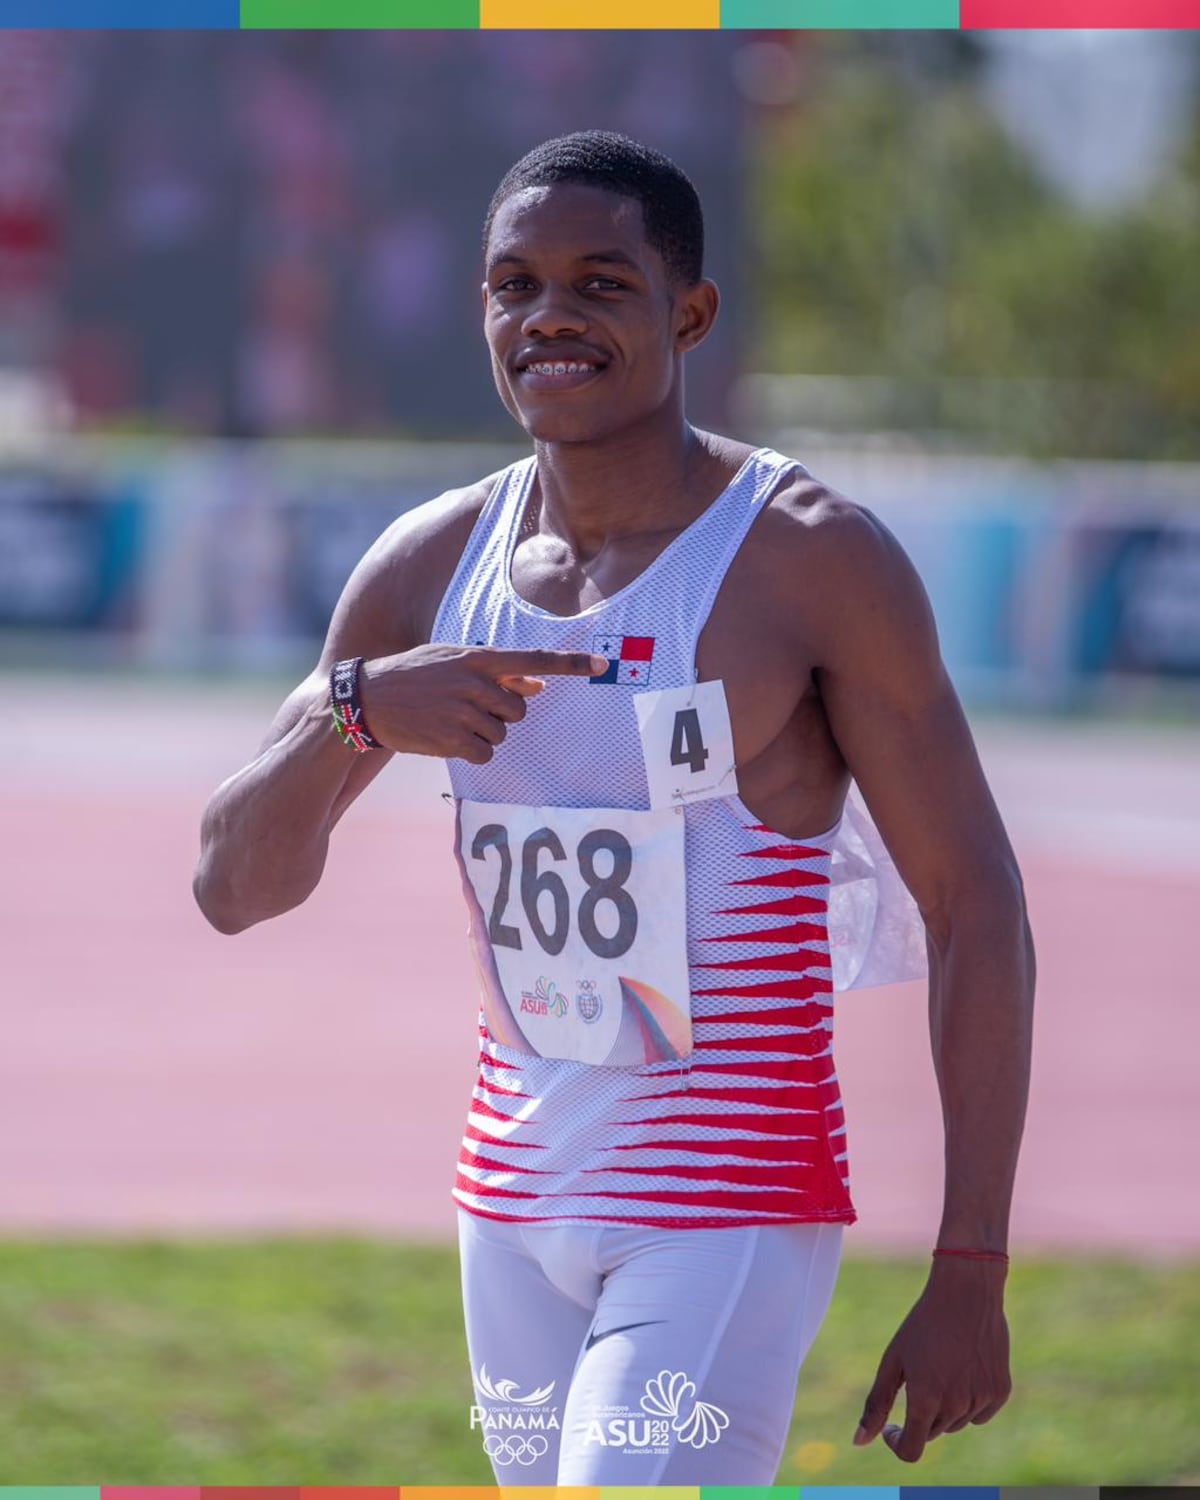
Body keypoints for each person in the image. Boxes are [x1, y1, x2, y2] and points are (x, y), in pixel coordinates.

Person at [195, 130, 1035, 1484]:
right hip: (509, 1201)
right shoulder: (427, 566)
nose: (550, 318)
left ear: (689, 312)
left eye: (600, 282)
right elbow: (233, 889)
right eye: (514, 284)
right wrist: (355, 709)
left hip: (724, 1195)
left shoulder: (809, 562)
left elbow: (977, 905)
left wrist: (973, 1267)